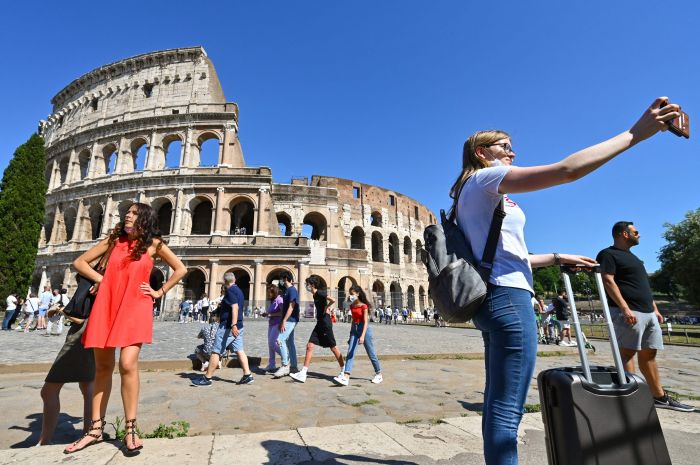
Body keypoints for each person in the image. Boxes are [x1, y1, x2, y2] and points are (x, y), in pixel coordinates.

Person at [450, 97, 681, 464]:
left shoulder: (469, 191)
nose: (512, 152)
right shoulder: (487, 178)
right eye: (504, 147)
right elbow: (567, 170)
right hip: (509, 299)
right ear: (482, 152)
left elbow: (504, 255)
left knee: (498, 401)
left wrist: (556, 257)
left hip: (492, 297)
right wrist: (635, 134)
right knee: (508, 408)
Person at [64, 203, 186, 455]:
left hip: (136, 306)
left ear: (145, 219)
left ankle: (131, 428)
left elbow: (180, 269)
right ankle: (95, 430)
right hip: (107, 304)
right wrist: (103, 280)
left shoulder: (154, 244)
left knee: (128, 363)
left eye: (133, 213)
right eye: (127, 212)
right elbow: (81, 262)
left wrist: (159, 292)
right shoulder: (113, 240)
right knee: (103, 367)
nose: (127, 216)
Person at [596, 221, 695, 412]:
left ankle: (659, 397)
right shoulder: (608, 254)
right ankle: (630, 395)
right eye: (635, 232)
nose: (639, 234)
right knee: (627, 353)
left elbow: (642, 287)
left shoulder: (634, 258)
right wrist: (624, 308)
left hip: (647, 312)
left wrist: (655, 309)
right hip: (628, 311)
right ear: (624, 234)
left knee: (649, 353)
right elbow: (607, 280)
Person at [38, 317, 95, 445]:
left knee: (48, 391)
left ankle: (44, 441)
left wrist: (60, 309)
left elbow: (79, 316)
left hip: (79, 335)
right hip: (90, 331)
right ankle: (89, 434)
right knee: (88, 386)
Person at [192, 271, 254, 386]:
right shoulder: (239, 291)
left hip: (228, 327)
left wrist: (233, 325)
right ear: (234, 280)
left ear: (225, 281)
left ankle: (207, 378)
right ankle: (247, 375)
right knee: (240, 350)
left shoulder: (230, 291)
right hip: (239, 326)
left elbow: (235, 307)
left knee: (216, 351)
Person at [290, 276, 345, 383]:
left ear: (312, 285)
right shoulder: (315, 294)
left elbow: (333, 299)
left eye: (307, 284)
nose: (306, 286)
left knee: (333, 347)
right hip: (320, 322)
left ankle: (344, 370)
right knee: (310, 345)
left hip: (325, 323)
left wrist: (326, 307)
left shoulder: (319, 293)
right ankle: (303, 373)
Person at [333, 285, 383, 386]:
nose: (350, 296)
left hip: (364, 330)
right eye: (350, 294)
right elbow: (353, 320)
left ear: (358, 294)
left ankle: (379, 374)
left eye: (352, 294)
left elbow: (365, 322)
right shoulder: (352, 306)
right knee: (350, 352)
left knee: (371, 353)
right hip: (355, 329)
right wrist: (350, 334)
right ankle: (346, 377)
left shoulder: (364, 306)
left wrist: (363, 336)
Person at [273, 272, 299, 378]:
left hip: (290, 320)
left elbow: (291, 306)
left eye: (281, 279)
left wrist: (284, 320)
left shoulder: (292, 290)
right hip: (288, 319)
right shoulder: (286, 291)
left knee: (280, 340)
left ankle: (285, 365)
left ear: (286, 279)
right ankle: (294, 366)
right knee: (290, 342)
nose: (281, 281)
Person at [262, 284, 284, 373]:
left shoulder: (279, 300)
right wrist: (267, 314)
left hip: (277, 323)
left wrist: (270, 314)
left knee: (272, 343)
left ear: (274, 292)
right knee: (270, 345)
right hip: (271, 323)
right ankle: (271, 364)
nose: (268, 294)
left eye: (269, 293)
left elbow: (282, 313)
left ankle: (285, 356)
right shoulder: (273, 300)